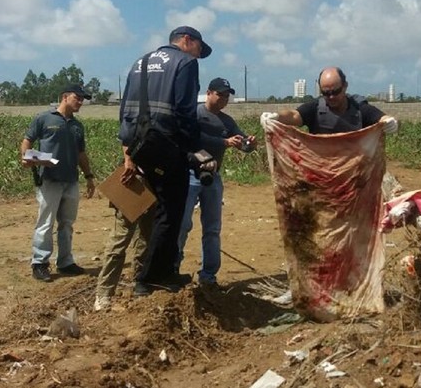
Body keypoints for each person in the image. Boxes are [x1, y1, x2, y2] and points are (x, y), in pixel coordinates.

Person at [118, 25, 213, 296]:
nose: (197, 57)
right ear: (186, 41)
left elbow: (124, 109)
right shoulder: (184, 63)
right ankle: (149, 278)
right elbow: (185, 112)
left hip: (140, 146)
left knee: (154, 211)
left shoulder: (141, 62)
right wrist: (195, 151)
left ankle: (164, 271)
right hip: (167, 146)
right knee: (170, 213)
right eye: (198, 49)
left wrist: (128, 151)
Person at [176, 77, 255, 286]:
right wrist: (223, 142)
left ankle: (208, 275)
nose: (224, 99)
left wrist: (248, 144)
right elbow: (191, 138)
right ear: (209, 93)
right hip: (191, 174)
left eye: (227, 96)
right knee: (183, 224)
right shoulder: (194, 114)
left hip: (213, 177)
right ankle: (173, 267)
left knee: (212, 228)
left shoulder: (227, 121)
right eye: (220, 94)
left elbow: (243, 144)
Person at [21, 83, 96, 282]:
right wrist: (27, 157)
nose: (80, 102)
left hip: (71, 180)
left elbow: (81, 153)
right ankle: (40, 263)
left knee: (67, 224)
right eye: (77, 98)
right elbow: (27, 141)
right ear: (65, 97)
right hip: (50, 180)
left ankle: (65, 262)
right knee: (45, 223)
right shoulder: (44, 119)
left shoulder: (77, 126)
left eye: (82, 99)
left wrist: (89, 176)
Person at [269, 67, 398, 135]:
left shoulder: (359, 108)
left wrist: (389, 122)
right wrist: (276, 117)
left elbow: (381, 118)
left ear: (345, 86)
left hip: (355, 175)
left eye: (335, 92)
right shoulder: (315, 108)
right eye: (326, 93)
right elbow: (294, 115)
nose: (331, 97)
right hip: (322, 174)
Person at [93, 204, 153, 311]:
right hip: (130, 193)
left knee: (144, 241)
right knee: (120, 241)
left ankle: (139, 284)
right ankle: (104, 292)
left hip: (152, 194)